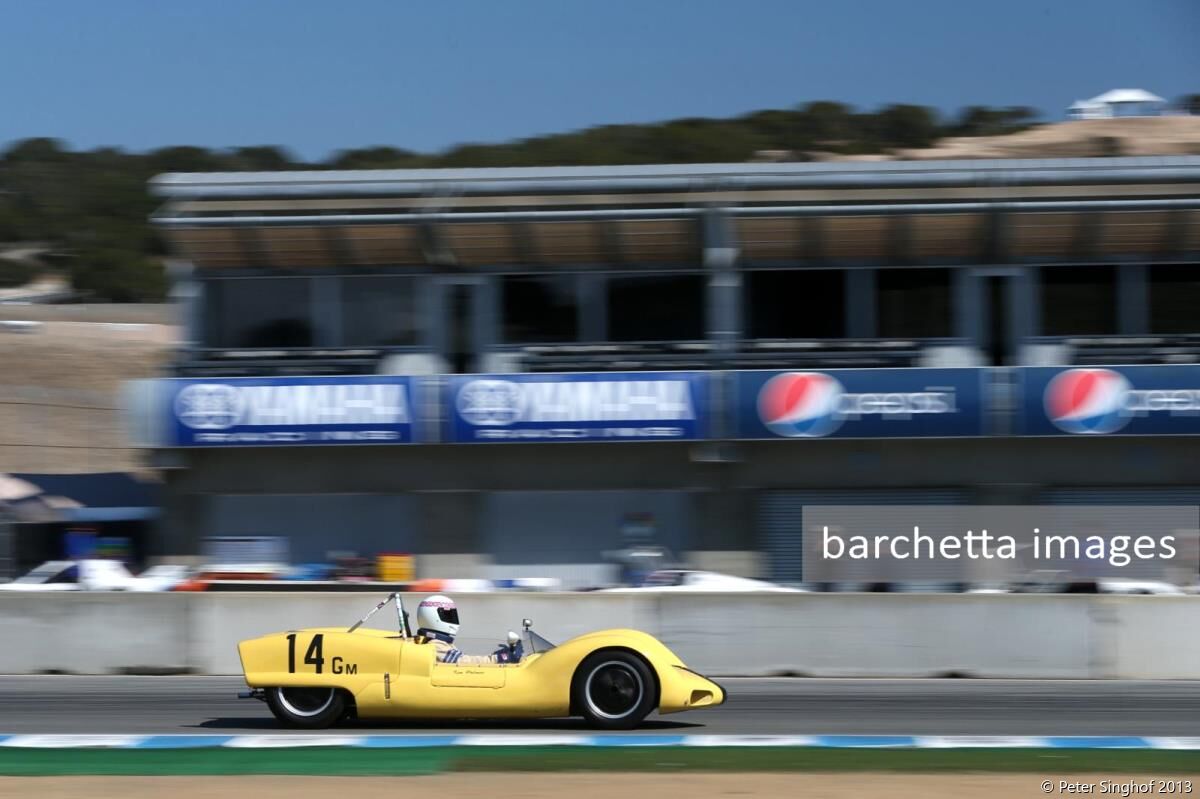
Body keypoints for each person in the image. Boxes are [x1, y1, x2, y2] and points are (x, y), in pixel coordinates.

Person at [414, 594, 522, 664]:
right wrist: (499, 658)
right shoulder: (435, 646)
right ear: (432, 617)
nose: (452, 619)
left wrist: (500, 654)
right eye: (448, 616)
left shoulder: (438, 643)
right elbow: (464, 663)